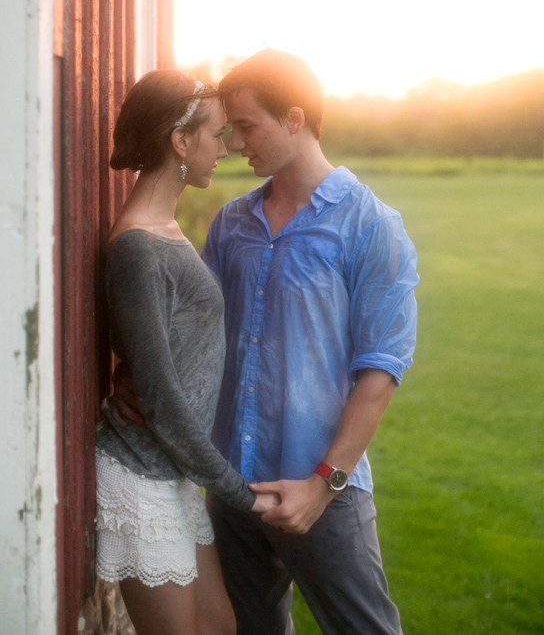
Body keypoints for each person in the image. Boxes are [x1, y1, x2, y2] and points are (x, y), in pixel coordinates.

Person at [112, 51, 419, 635]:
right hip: (233, 488)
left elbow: (380, 370)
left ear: (295, 119)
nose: (234, 143)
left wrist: (323, 485)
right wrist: (130, 376)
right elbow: (186, 329)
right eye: (228, 129)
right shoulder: (232, 224)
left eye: (247, 127)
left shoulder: (371, 226)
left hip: (321, 491)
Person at [95, 69, 278, 635]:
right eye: (217, 135)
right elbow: (162, 397)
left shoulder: (164, 229)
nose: (226, 148)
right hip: (141, 475)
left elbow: (157, 354)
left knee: (222, 628)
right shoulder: (138, 248)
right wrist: (238, 495)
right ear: (179, 140)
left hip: (172, 475)